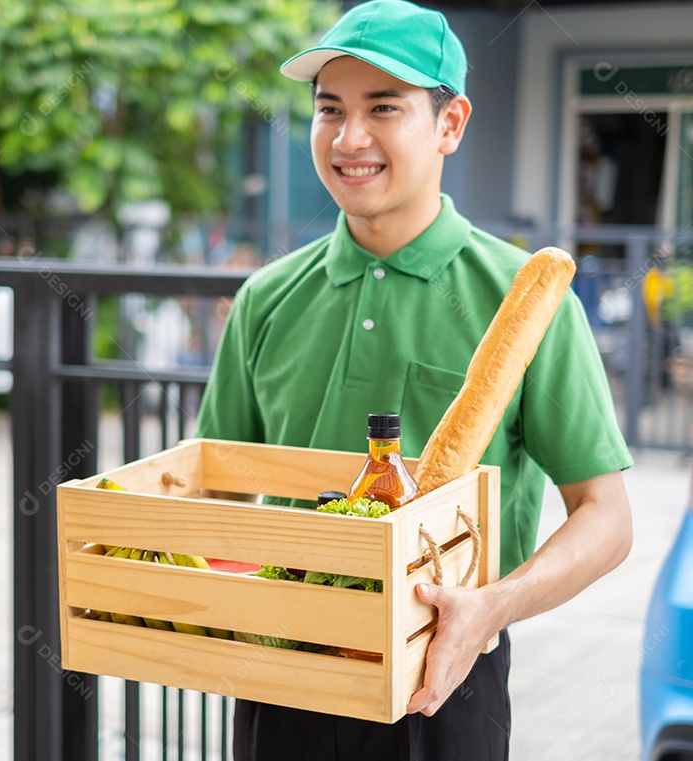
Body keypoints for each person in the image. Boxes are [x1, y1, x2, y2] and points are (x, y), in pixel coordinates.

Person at [193, 1, 634, 759]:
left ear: (450, 124)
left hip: (444, 679)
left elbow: (606, 514)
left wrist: (492, 606)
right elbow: (220, 491)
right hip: (280, 678)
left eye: (384, 108)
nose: (349, 137)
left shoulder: (524, 301)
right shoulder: (266, 299)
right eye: (329, 110)